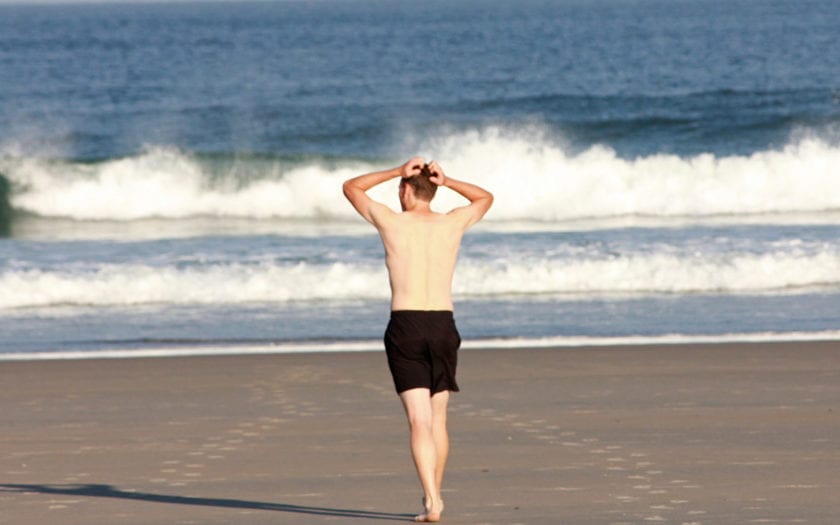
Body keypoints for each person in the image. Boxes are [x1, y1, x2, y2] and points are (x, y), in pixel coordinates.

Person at [343, 157, 493, 522]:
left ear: (406, 190)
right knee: (438, 420)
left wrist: (396, 170)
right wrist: (449, 180)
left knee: (419, 421)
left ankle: (431, 499)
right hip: (443, 325)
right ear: (434, 189)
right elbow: (485, 198)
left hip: (406, 324)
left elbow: (351, 187)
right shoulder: (453, 222)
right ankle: (434, 497)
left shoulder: (392, 222)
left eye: (400, 187)